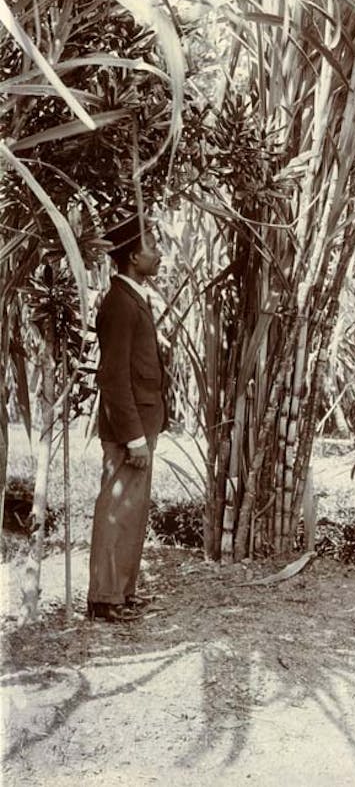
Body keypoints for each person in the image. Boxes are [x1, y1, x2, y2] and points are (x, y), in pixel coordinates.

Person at [87, 212, 167, 622]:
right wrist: (134, 436)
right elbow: (114, 376)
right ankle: (105, 598)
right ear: (134, 256)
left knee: (132, 511)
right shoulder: (120, 304)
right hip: (127, 429)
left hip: (139, 423)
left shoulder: (132, 297)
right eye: (152, 247)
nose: (158, 253)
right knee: (118, 510)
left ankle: (121, 592)